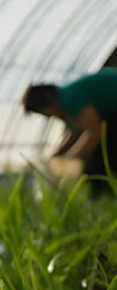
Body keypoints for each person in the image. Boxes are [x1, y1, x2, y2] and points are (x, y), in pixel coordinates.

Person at [22, 68, 117, 196]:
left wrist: (72, 157)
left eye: (42, 111)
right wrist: (57, 155)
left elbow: (94, 131)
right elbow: (73, 133)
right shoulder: (65, 101)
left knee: (100, 157)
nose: (46, 116)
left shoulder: (69, 98)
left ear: (47, 101)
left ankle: (104, 196)